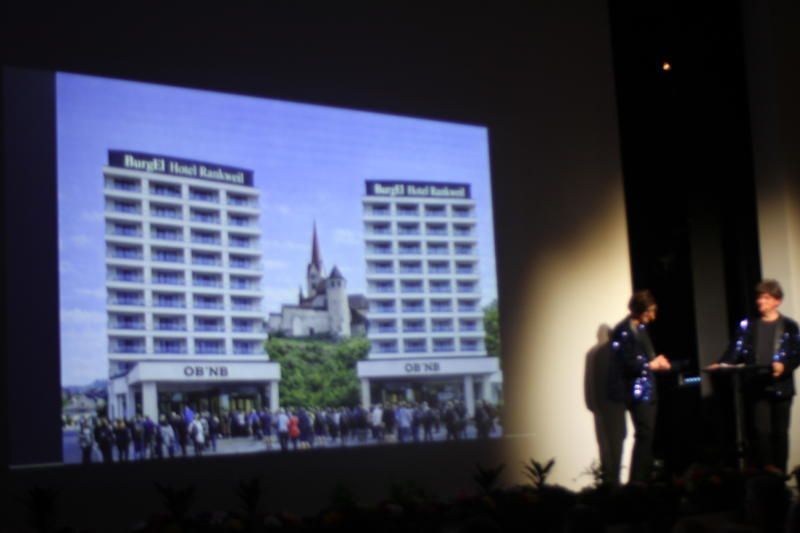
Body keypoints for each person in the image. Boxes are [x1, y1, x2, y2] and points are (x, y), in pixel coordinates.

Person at [711, 279, 800, 473]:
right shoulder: (748, 325)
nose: (761, 301)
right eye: (759, 297)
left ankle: (780, 475)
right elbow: (735, 350)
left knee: (780, 433)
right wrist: (722, 364)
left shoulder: (789, 326)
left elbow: (796, 354)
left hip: (781, 385)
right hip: (756, 385)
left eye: (766, 297)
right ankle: (767, 473)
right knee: (762, 432)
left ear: (777, 301)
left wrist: (783, 366)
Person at [609, 289, 671, 484]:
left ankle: (641, 480)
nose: (652, 317)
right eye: (649, 312)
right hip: (635, 391)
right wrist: (648, 364)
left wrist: (656, 361)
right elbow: (624, 362)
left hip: (649, 388)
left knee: (647, 435)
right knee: (643, 434)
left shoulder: (642, 329)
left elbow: (645, 356)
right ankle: (636, 483)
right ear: (638, 310)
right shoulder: (622, 331)